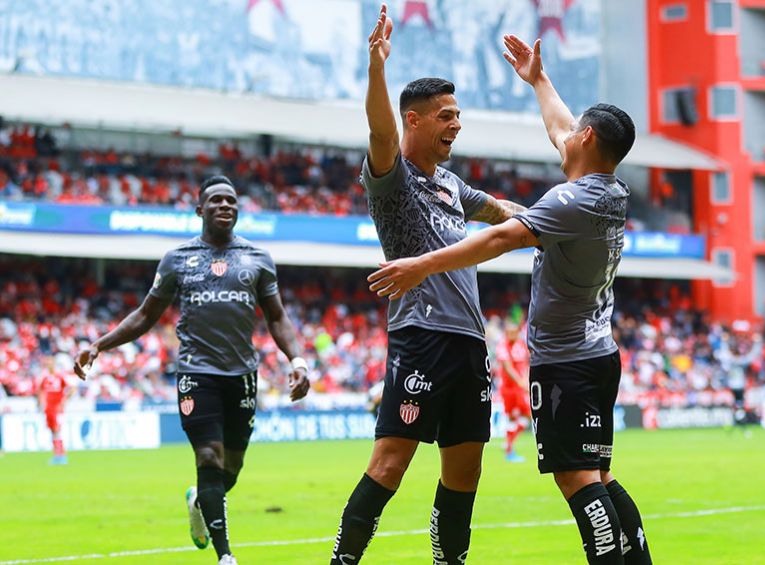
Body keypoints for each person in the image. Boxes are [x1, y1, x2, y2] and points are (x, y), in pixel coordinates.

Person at [367, 33, 652, 565]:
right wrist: (539, 80)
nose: (562, 135)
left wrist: (419, 266)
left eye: (574, 133)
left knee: (578, 479)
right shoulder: (609, 191)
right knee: (603, 476)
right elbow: (560, 127)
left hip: (565, 360)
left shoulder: (569, 200)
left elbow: (501, 237)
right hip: (597, 350)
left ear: (587, 138)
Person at [328, 6, 527, 564]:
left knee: (465, 470)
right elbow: (378, 130)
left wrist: (556, 221)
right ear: (414, 121)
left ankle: (449, 561)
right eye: (445, 115)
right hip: (421, 334)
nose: (456, 124)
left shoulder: (449, 184)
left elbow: (503, 212)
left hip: (469, 341)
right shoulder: (391, 179)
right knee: (390, 462)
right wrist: (377, 70)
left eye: (457, 114)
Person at [73, 175, 311, 565]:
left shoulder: (258, 258)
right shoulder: (177, 259)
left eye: (231, 201)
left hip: (242, 375)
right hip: (196, 373)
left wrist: (297, 361)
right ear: (200, 209)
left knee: (230, 467)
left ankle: (199, 500)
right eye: (216, 200)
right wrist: (99, 344)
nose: (225, 206)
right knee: (208, 456)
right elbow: (146, 315)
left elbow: (278, 317)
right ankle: (225, 556)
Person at [495, 321, 531, 462]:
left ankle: (508, 443)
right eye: (509, 332)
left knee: (527, 416)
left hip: (519, 388)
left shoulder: (521, 345)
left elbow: (526, 364)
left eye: (514, 332)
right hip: (509, 389)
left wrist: (526, 379)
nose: (512, 334)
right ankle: (509, 449)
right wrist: (521, 382)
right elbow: (508, 367)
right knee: (513, 418)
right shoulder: (502, 346)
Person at [37, 357, 73, 465]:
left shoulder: (60, 376)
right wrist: (41, 403)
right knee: (53, 431)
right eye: (47, 363)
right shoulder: (45, 378)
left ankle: (60, 455)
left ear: (54, 364)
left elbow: (71, 388)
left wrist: (64, 401)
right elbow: (40, 390)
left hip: (57, 408)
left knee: (57, 430)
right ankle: (57, 454)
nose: (49, 365)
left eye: (50, 363)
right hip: (49, 408)